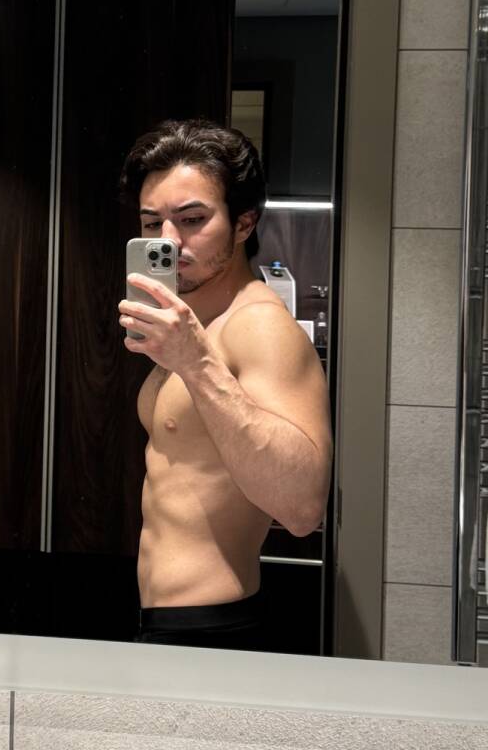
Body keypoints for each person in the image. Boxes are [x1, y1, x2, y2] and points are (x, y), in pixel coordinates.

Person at [118, 117, 333, 651]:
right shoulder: (192, 323)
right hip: (164, 618)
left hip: (214, 626)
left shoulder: (259, 327)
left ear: (243, 223)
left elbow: (302, 509)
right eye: (152, 223)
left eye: (192, 220)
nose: (169, 242)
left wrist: (196, 365)